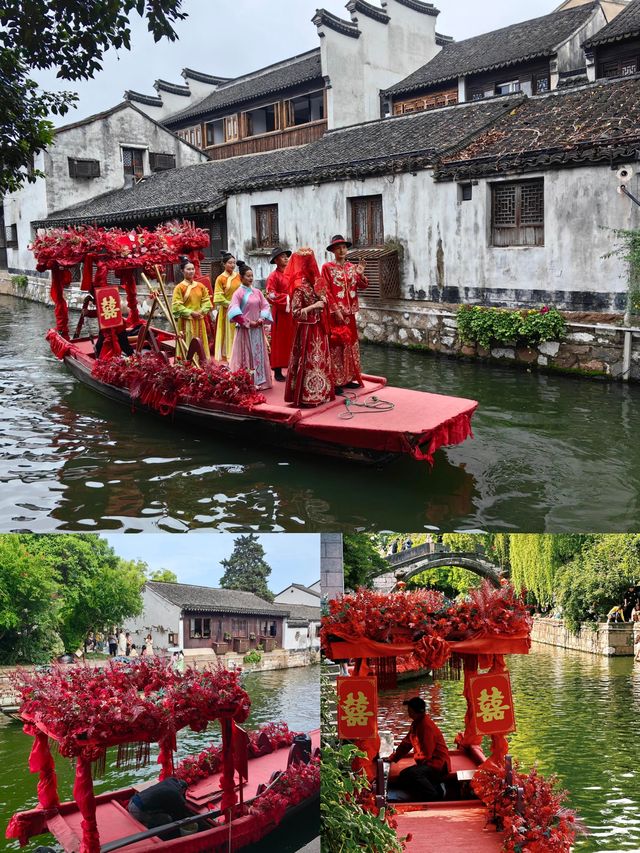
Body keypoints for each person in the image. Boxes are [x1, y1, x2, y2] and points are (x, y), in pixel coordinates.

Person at [284, 248, 334, 408]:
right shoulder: (299, 287)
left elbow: (325, 302)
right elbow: (295, 313)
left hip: (319, 328)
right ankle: (308, 395)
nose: (311, 265)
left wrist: (324, 301)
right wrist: (314, 306)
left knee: (320, 361)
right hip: (307, 331)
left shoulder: (317, 283)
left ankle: (322, 392)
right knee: (309, 362)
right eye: (307, 262)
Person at [320, 234, 368, 394]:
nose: (342, 250)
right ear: (333, 250)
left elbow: (362, 286)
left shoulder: (352, 267)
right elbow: (325, 290)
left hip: (350, 314)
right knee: (337, 345)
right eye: (338, 247)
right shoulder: (327, 268)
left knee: (350, 344)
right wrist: (335, 309)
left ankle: (348, 378)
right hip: (336, 314)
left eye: (344, 247)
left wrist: (360, 274)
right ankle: (336, 381)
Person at [385, 696, 451, 802]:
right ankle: (431, 789)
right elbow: (406, 743)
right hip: (428, 763)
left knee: (413, 773)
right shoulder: (416, 723)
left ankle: (434, 794)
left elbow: (427, 754)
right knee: (404, 775)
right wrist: (393, 758)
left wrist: (418, 767)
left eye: (409, 710)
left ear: (415, 711)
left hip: (437, 765)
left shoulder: (426, 726)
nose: (408, 713)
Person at [228, 262, 273, 390]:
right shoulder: (238, 293)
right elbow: (233, 311)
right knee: (246, 354)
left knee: (259, 353)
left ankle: (262, 382)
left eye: (252, 276)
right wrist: (248, 322)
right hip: (245, 329)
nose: (251, 278)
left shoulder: (257, 292)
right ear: (241, 277)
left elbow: (265, 306)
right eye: (248, 276)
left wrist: (261, 319)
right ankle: (248, 382)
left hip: (257, 328)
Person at [171, 259, 212, 363]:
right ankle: (187, 362)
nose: (191, 271)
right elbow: (176, 306)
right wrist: (190, 312)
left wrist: (202, 311)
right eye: (188, 269)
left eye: (193, 269)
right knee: (187, 341)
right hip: (187, 321)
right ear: (182, 271)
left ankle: (201, 361)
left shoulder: (200, 286)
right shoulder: (179, 288)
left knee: (201, 340)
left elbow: (207, 301)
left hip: (199, 319)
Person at [127, 777, 193, 840]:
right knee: (166, 819)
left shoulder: (170, 780)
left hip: (132, 801)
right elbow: (179, 812)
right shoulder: (175, 794)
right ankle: (150, 829)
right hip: (137, 810)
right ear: (183, 789)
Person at [265, 247, 294, 382]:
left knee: (292, 340)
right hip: (280, 313)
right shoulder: (273, 276)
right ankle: (277, 370)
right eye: (283, 257)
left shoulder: (291, 274)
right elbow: (270, 295)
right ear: (276, 260)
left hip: (292, 312)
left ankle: (291, 366)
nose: (286, 259)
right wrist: (287, 298)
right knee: (279, 340)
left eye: (286, 256)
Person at [213, 251, 241, 361]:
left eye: (234, 263)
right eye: (230, 263)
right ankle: (229, 354)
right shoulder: (220, 278)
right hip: (227, 309)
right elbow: (218, 297)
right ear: (224, 264)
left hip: (240, 308)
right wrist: (231, 304)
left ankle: (239, 353)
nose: (232, 265)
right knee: (228, 332)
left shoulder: (239, 276)